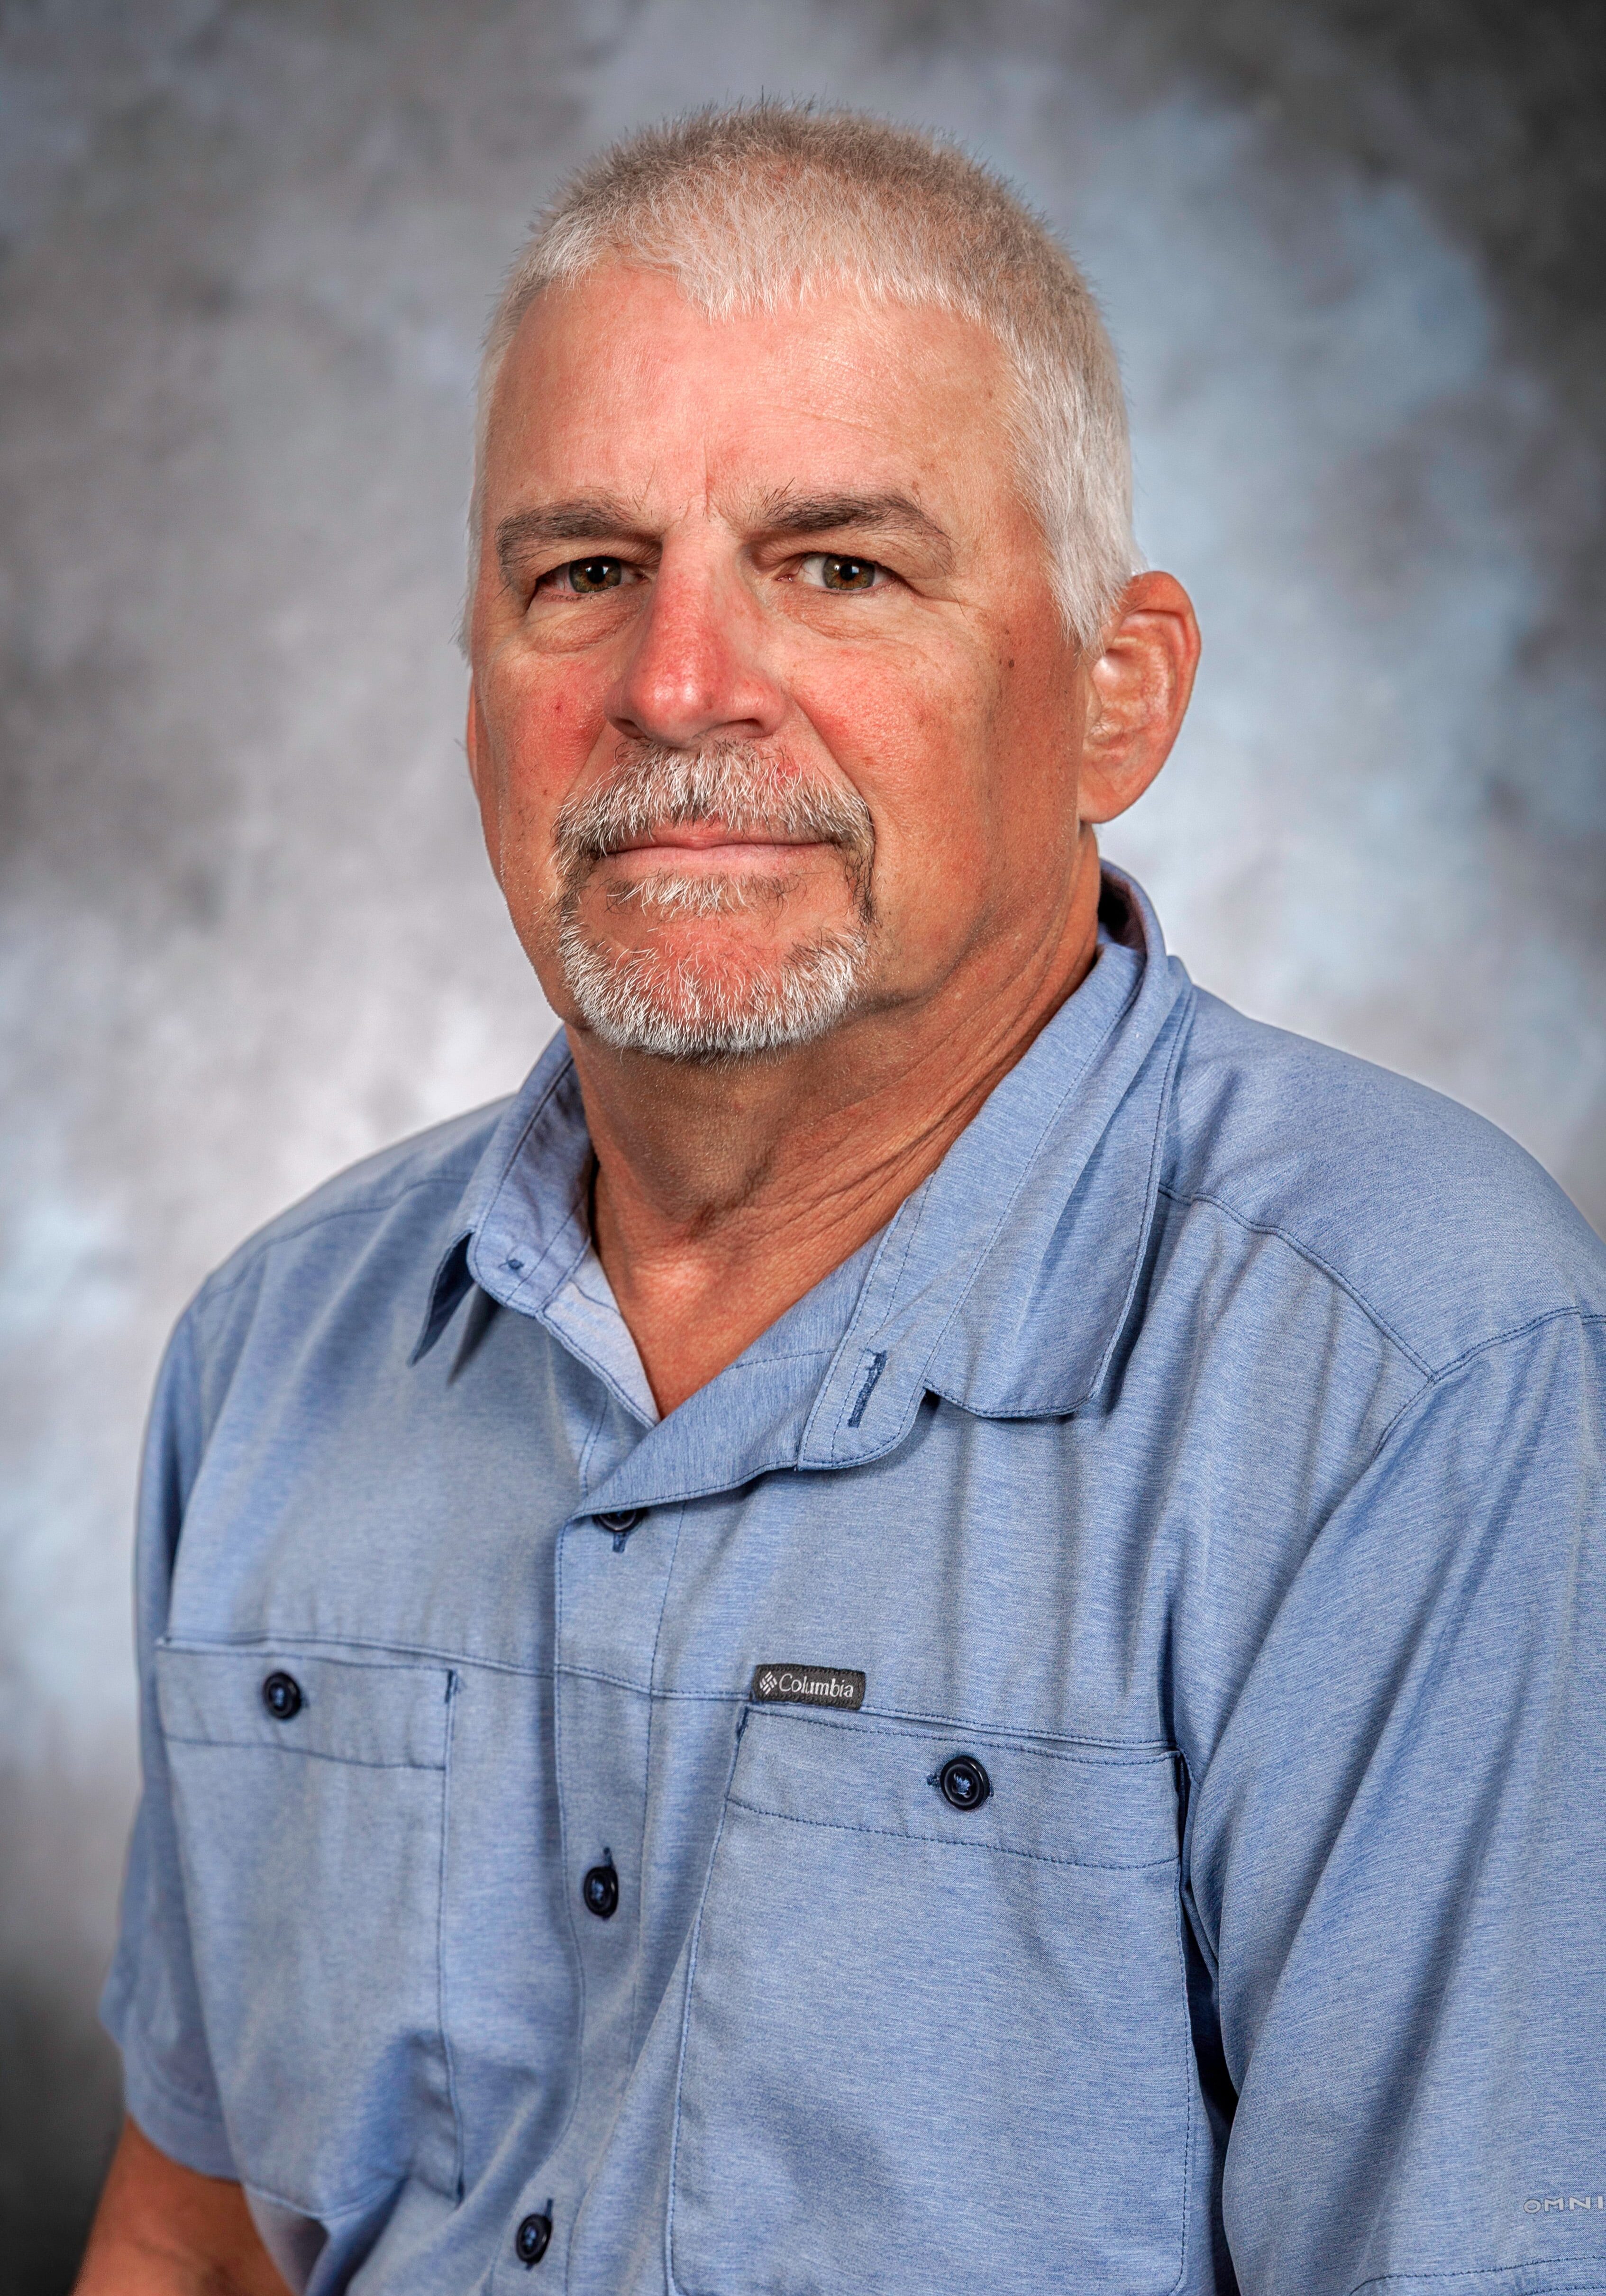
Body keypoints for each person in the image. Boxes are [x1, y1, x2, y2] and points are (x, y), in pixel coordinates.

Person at [76, 102, 1606, 2296]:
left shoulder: (1414, 1377)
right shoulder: (277, 1348)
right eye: (584, 571)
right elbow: (201, 2230)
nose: (676, 686)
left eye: (840, 565)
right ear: (481, 677)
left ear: (1114, 694)